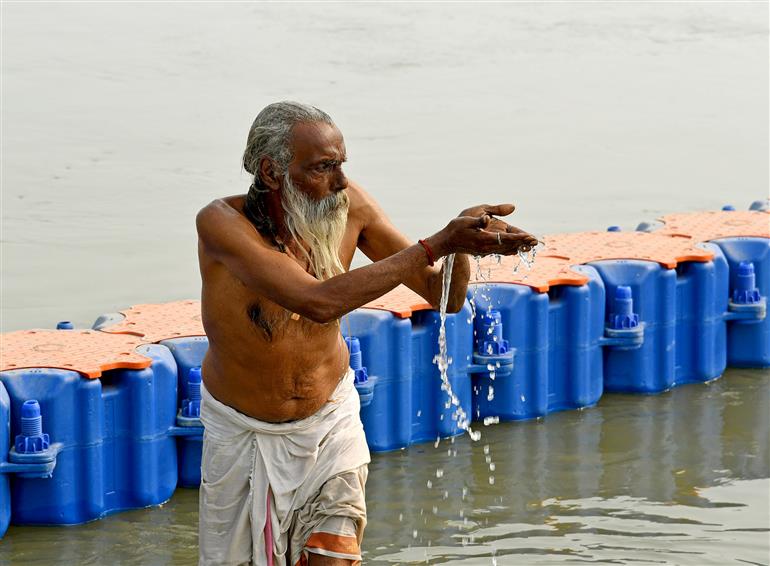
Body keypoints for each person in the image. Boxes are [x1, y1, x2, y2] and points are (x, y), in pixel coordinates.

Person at [195, 101, 538, 566]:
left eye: (341, 166)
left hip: (330, 422)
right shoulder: (221, 223)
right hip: (243, 433)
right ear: (271, 172)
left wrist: (463, 245)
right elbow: (318, 302)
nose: (339, 183)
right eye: (322, 168)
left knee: (334, 555)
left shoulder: (349, 206)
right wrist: (439, 242)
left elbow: (444, 296)